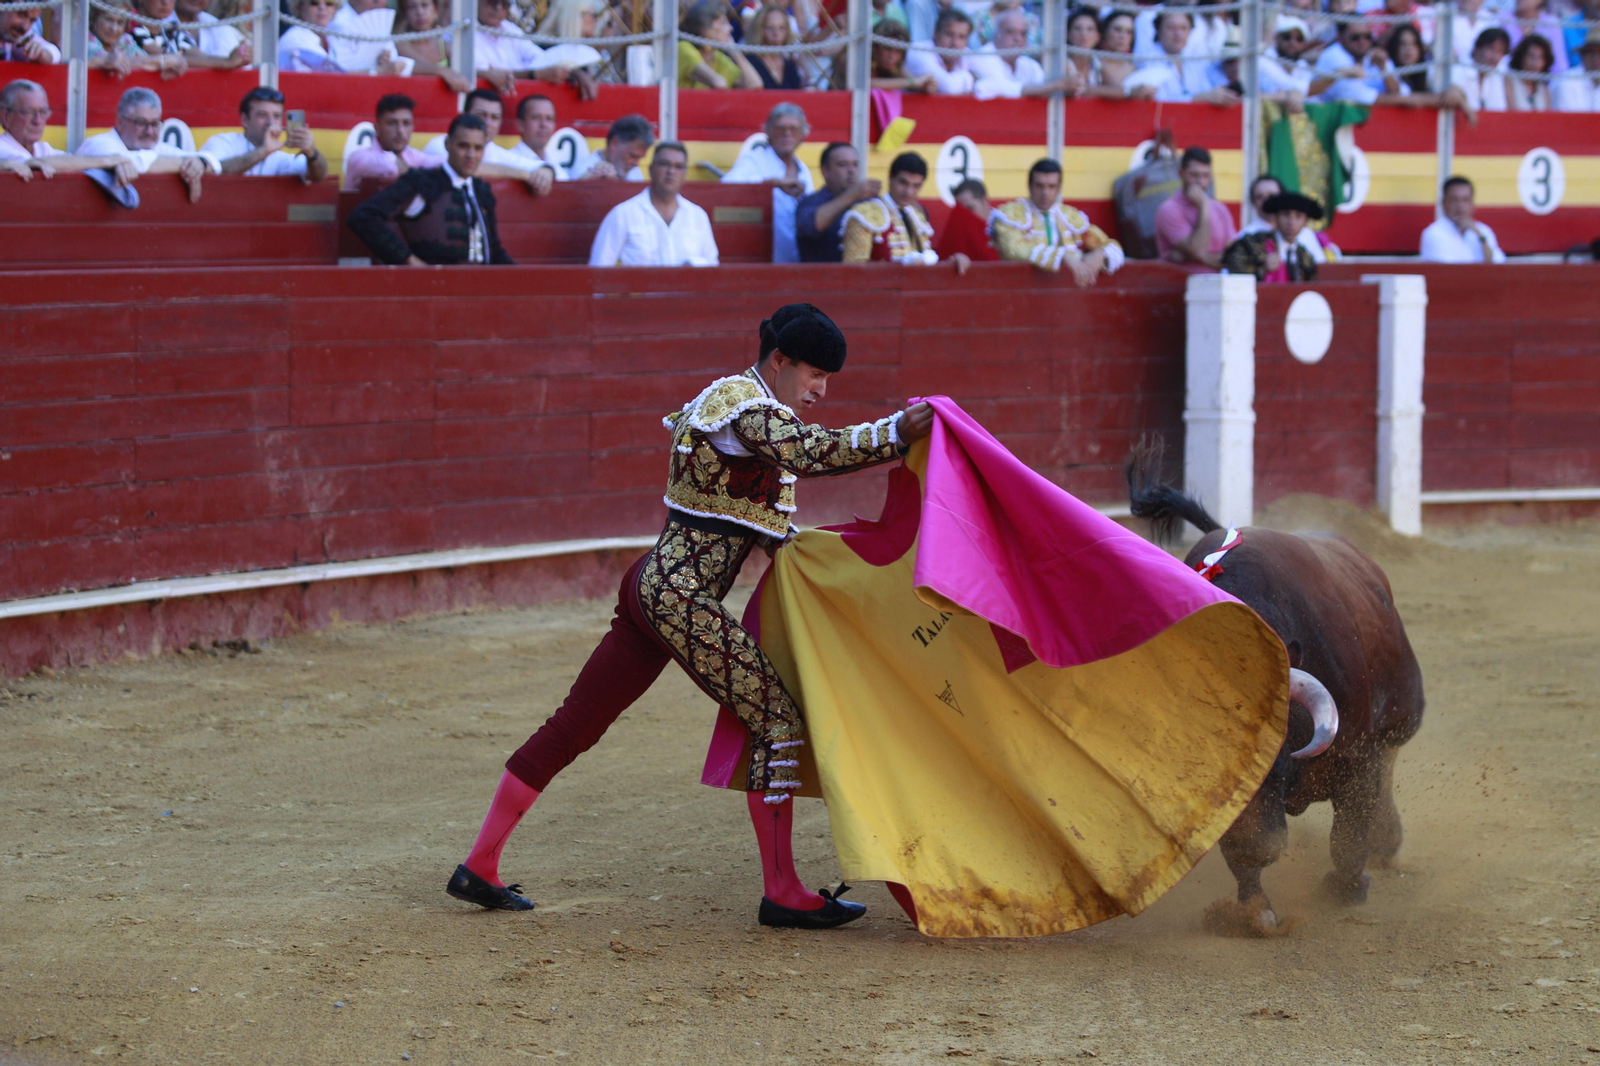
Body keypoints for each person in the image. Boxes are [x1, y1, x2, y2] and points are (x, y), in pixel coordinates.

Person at [446, 302, 936, 928]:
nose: (820, 390)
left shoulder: (744, 411)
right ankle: (782, 890)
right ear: (780, 361)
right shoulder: (745, 406)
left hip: (653, 589)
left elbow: (766, 528)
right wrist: (897, 431)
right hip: (679, 598)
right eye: (815, 375)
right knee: (778, 720)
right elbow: (815, 453)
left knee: (577, 722)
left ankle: (479, 863)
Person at [347, 113, 514, 265]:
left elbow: (493, 250)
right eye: (463, 146)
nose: (471, 155)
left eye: (478, 148)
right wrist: (409, 260)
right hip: (431, 289)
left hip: (479, 289)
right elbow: (363, 217)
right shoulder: (421, 182)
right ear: (448, 145)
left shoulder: (481, 190)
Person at [990, 158, 1123, 286]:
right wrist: (1063, 256)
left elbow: (1110, 245)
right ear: (1029, 186)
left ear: (1059, 188)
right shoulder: (1010, 214)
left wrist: (1100, 254)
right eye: (1039, 186)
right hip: (1019, 290)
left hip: (1065, 295)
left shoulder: (1070, 216)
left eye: (1051, 186)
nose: (1045, 192)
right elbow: (1013, 250)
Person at [589, 142, 718, 266]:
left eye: (679, 166)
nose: (671, 171)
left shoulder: (698, 216)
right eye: (664, 164)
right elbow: (599, 269)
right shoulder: (623, 214)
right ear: (651, 170)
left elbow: (712, 268)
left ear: (685, 175)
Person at [78, 86, 216, 202]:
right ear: (120, 122)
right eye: (141, 123)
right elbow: (135, 161)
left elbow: (213, 161)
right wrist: (184, 164)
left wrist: (200, 163)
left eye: (155, 123)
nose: (149, 131)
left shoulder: (157, 147)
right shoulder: (98, 144)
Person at [841, 151, 969, 273]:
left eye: (916, 186)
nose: (909, 191)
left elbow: (927, 262)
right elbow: (854, 271)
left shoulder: (917, 217)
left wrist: (950, 264)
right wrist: (901, 269)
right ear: (891, 178)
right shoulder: (864, 214)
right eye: (903, 183)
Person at [722, 103, 814, 264]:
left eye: (793, 129)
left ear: (802, 135)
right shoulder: (754, 159)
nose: (787, 134)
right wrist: (772, 184)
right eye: (780, 128)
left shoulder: (803, 169)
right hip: (762, 258)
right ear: (769, 132)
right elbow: (726, 188)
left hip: (797, 259)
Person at [423, 88, 556, 195]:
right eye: (481, 115)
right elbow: (463, 168)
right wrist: (523, 174)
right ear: (464, 115)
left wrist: (546, 170)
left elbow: (539, 166)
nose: (487, 123)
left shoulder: (499, 153)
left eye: (494, 117)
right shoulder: (440, 144)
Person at [0, 79, 137, 182]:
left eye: (43, 112)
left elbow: (71, 160)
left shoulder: (43, 148)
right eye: (28, 112)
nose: (38, 121)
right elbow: (36, 163)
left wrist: (117, 163)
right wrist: (108, 161)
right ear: (6, 117)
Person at [201, 87, 329, 182]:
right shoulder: (223, 142)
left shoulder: (282, 157)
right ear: (245, 119)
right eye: (262, 115)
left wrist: (312, 153)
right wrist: (263, 151)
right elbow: (213, 170)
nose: (271, 122)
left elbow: (318, 176)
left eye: (277, 116)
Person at [1122, 11, 1242, 104]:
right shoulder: (1147, 60)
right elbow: (1159, 101)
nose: (1178, 34)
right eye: (1171, 28)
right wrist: (1201, 98)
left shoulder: (1195, 61)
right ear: (1158, 30)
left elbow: (1213, 85)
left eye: (1183, 28)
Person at [1153, 146, 1236, 269]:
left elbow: (1234, 257)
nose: (1200, 182)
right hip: (1181, 285)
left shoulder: (1220, 209)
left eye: (1205, 175)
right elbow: (1197, 249)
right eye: (1194, 175)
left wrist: (1200, 257)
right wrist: (1203, 206)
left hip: (1219, 285)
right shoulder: (1169, 209)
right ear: (1181, 174)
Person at [794, 141, 877, 262]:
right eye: (843, 165)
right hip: (822, 279)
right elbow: (811, 226)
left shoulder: (869, 201)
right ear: (825, 170)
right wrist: (851, 195)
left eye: (855, 164)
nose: (851, 170)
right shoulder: (810, 202)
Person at [474, 0, 578, 95]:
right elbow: (489, 73)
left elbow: (542, 59)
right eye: (491, 2)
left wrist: (575, 73)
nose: (498, 8)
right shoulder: (466, 32)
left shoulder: (511, 29)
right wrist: (534, 74)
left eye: (505, 4)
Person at [973, 8, 1078, 99]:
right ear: (997, 33)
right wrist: (1059, 84)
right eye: (1010, 31)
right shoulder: (982, 56)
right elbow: (1002, 88)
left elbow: (1044, 88)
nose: (1017, 38)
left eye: (1023, 34)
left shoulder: (1027, 64)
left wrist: (1069, 88)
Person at [1221, 190, 1322, 282]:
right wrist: (1262, 271)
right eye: (1285, 215)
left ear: (1305, 222)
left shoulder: (1305, 257)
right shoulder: (1251, 244)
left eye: (1298, 216)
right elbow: (1233, 279)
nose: (1291, 222)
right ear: (1276, 217)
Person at [343, 93, 437, 190]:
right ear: (377, 129)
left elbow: (443, 162)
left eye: (406, 123)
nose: (400, 130)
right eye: (392, 123)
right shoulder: (359, 158)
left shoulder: (411, 155)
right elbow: (389, 167)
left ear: (412, 128)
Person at [1240, 174, 1339, 263]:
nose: (1266, 200)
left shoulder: (1306, 234)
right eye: (1259, 197)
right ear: (1253, 202)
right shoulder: (1247, 237)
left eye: (1271, 196)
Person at [1419, 175, 1505, 263]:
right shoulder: (1434, 233)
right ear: (1443, 203)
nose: (1460, 206)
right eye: (1454, 200)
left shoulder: (1483, 231)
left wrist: (1480, 237)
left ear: (1472, 203)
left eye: (1465, 200)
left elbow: (1498, 263)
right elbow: (1450, 270)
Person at [679, 0, 763, 88]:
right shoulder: (684, 48)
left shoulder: (717, 57)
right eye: (723, 23)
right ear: (704, 29)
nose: (730, 28)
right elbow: (718, 83)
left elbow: (755, 85)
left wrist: (735, 52)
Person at [532, 0, 604, 100]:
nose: (596, 19)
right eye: (592, 14)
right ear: (573, 16)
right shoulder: (543, 48)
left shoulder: (583, 52)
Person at [394, 0, 471, 92]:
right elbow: (417, 65)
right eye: (412, 7)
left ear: (436, 10)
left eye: (425, 5)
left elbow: (467, 68)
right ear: (405, 14)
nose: (419, 12)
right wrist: (443, 71)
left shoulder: (445, 45)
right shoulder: (399, 44)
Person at [904, 8, 980, 94]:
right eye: (949, 35)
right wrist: (972, 78)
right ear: (935, 33)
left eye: (962, 37)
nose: (955, 43)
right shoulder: (918, 52)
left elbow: (995, 82)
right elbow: (948, 87)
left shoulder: (967, 53)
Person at [568, 113, 652, 180]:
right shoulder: (582, 169)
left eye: (639, 158)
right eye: (632, 156)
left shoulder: (635, 173)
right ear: (614, 143)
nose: (636, 164)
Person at [934, 177, 999, 261]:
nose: (966, 217)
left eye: (970, 208)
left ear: (984, 200)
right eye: (961, 212)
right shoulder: (958, 229)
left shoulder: (1005, 224)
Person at [174, 0, 252, 68]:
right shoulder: (163, 25)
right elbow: (170, 58)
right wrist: (226, 62)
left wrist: (244, 55)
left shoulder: (223, 30)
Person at [1096, 9, 1153, 98]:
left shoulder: (1133, 68)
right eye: (1117, 29)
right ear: (1105, 32)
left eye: (1128, 32)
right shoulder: (1093, 62)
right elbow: (1084, 89)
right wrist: (1129, 92)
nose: (1122, 36)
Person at [871, 18, 938, 91]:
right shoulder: (864, 61)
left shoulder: (896, 68)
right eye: (887, 48)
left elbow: (915, 82)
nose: (892, 56)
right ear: (875, 47)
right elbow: (868, 83)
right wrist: (913, 82)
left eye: (898, 51)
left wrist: (927, 84)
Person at [510, 93, 567, 178]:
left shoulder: (556, 165)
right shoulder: (508, 161)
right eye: (536, 117)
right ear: (520, 125)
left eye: (549, 118)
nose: (544, 124)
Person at [747, 3, 804, 89]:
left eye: (782, 28)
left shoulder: (790, 67)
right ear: (760, 30)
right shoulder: (750, 63)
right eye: (770, 27)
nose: (776, 33)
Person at [1454, 27, 1511, 111]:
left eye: (1500, 51)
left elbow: (1499, 110)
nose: (1495, 57)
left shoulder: (1497, 77)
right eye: (1491, 48)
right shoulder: (1458, 71)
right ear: (1477, 48)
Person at [278, 0, 342, 71]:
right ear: (300, 8)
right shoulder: (294, 39)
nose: (322, 7)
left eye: (329, 2)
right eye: (314, 2)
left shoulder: (334, 38)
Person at [1554, 27, 1600, 111]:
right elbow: (1569, 120)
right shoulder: (1567, 82)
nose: (1596, 59)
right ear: (1583, 55)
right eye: (1593, 54)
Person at [1507, 33, 1554, 110]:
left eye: (1540, 57)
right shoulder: (1509, 81)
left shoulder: (1545, 91)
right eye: (1531, 56)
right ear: (1521, 57)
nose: (1535, 63)